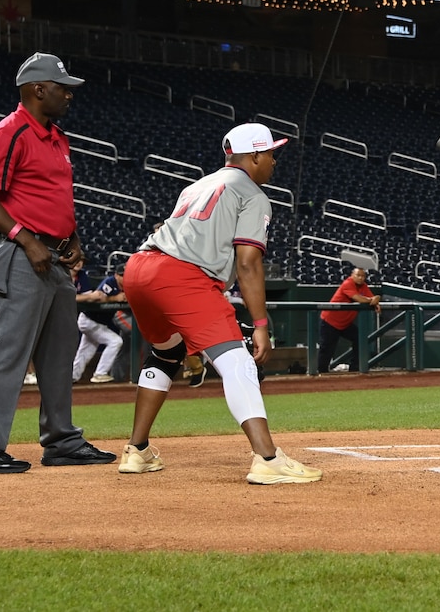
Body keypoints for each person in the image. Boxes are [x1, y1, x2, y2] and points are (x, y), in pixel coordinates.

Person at [118, 122, 321, 484]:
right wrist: (261, 324)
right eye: (271, 153)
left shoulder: (198, 184)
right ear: (254, 155)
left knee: (166, 354)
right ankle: (268, 459)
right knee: (238, 361)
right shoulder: (254, 194)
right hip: (181, 276)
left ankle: (137, 452)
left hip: (139, 268)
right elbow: (248, 263)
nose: (275, 161)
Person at [0, 52, 116, 474]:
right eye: (62, 87)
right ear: (37, 89)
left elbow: (55, 199)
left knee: (58, 351)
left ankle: (62, 440)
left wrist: (75, 241)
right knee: (8, 352)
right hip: (20, 254)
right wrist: (25, 239)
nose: (69, 94)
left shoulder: (57, 136)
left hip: (54, 256)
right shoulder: (10, 132)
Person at [316, 266, 381, 374]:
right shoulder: (348, 283)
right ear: (352, 276)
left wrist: (376, 301)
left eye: (363, 276)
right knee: (327, 348)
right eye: (358, 275)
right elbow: (359, 298)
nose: (360, 278)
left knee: (360, 339)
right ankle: (321, 373)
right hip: (330, 321)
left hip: (345, 323)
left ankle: (354, 368)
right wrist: (372, 301)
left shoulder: (363, 286)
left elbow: (374, 298)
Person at [71, 262, 125, 384]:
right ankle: (100, 374)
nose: (124, 278)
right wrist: (115, 298)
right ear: (116, 275)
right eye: (122, 275)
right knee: (115, 341)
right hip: (89, 320)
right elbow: (98, 298)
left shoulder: (128, 285)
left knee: (85, 351)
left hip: (98, 323)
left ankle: (73, 376)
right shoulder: (110, 282)